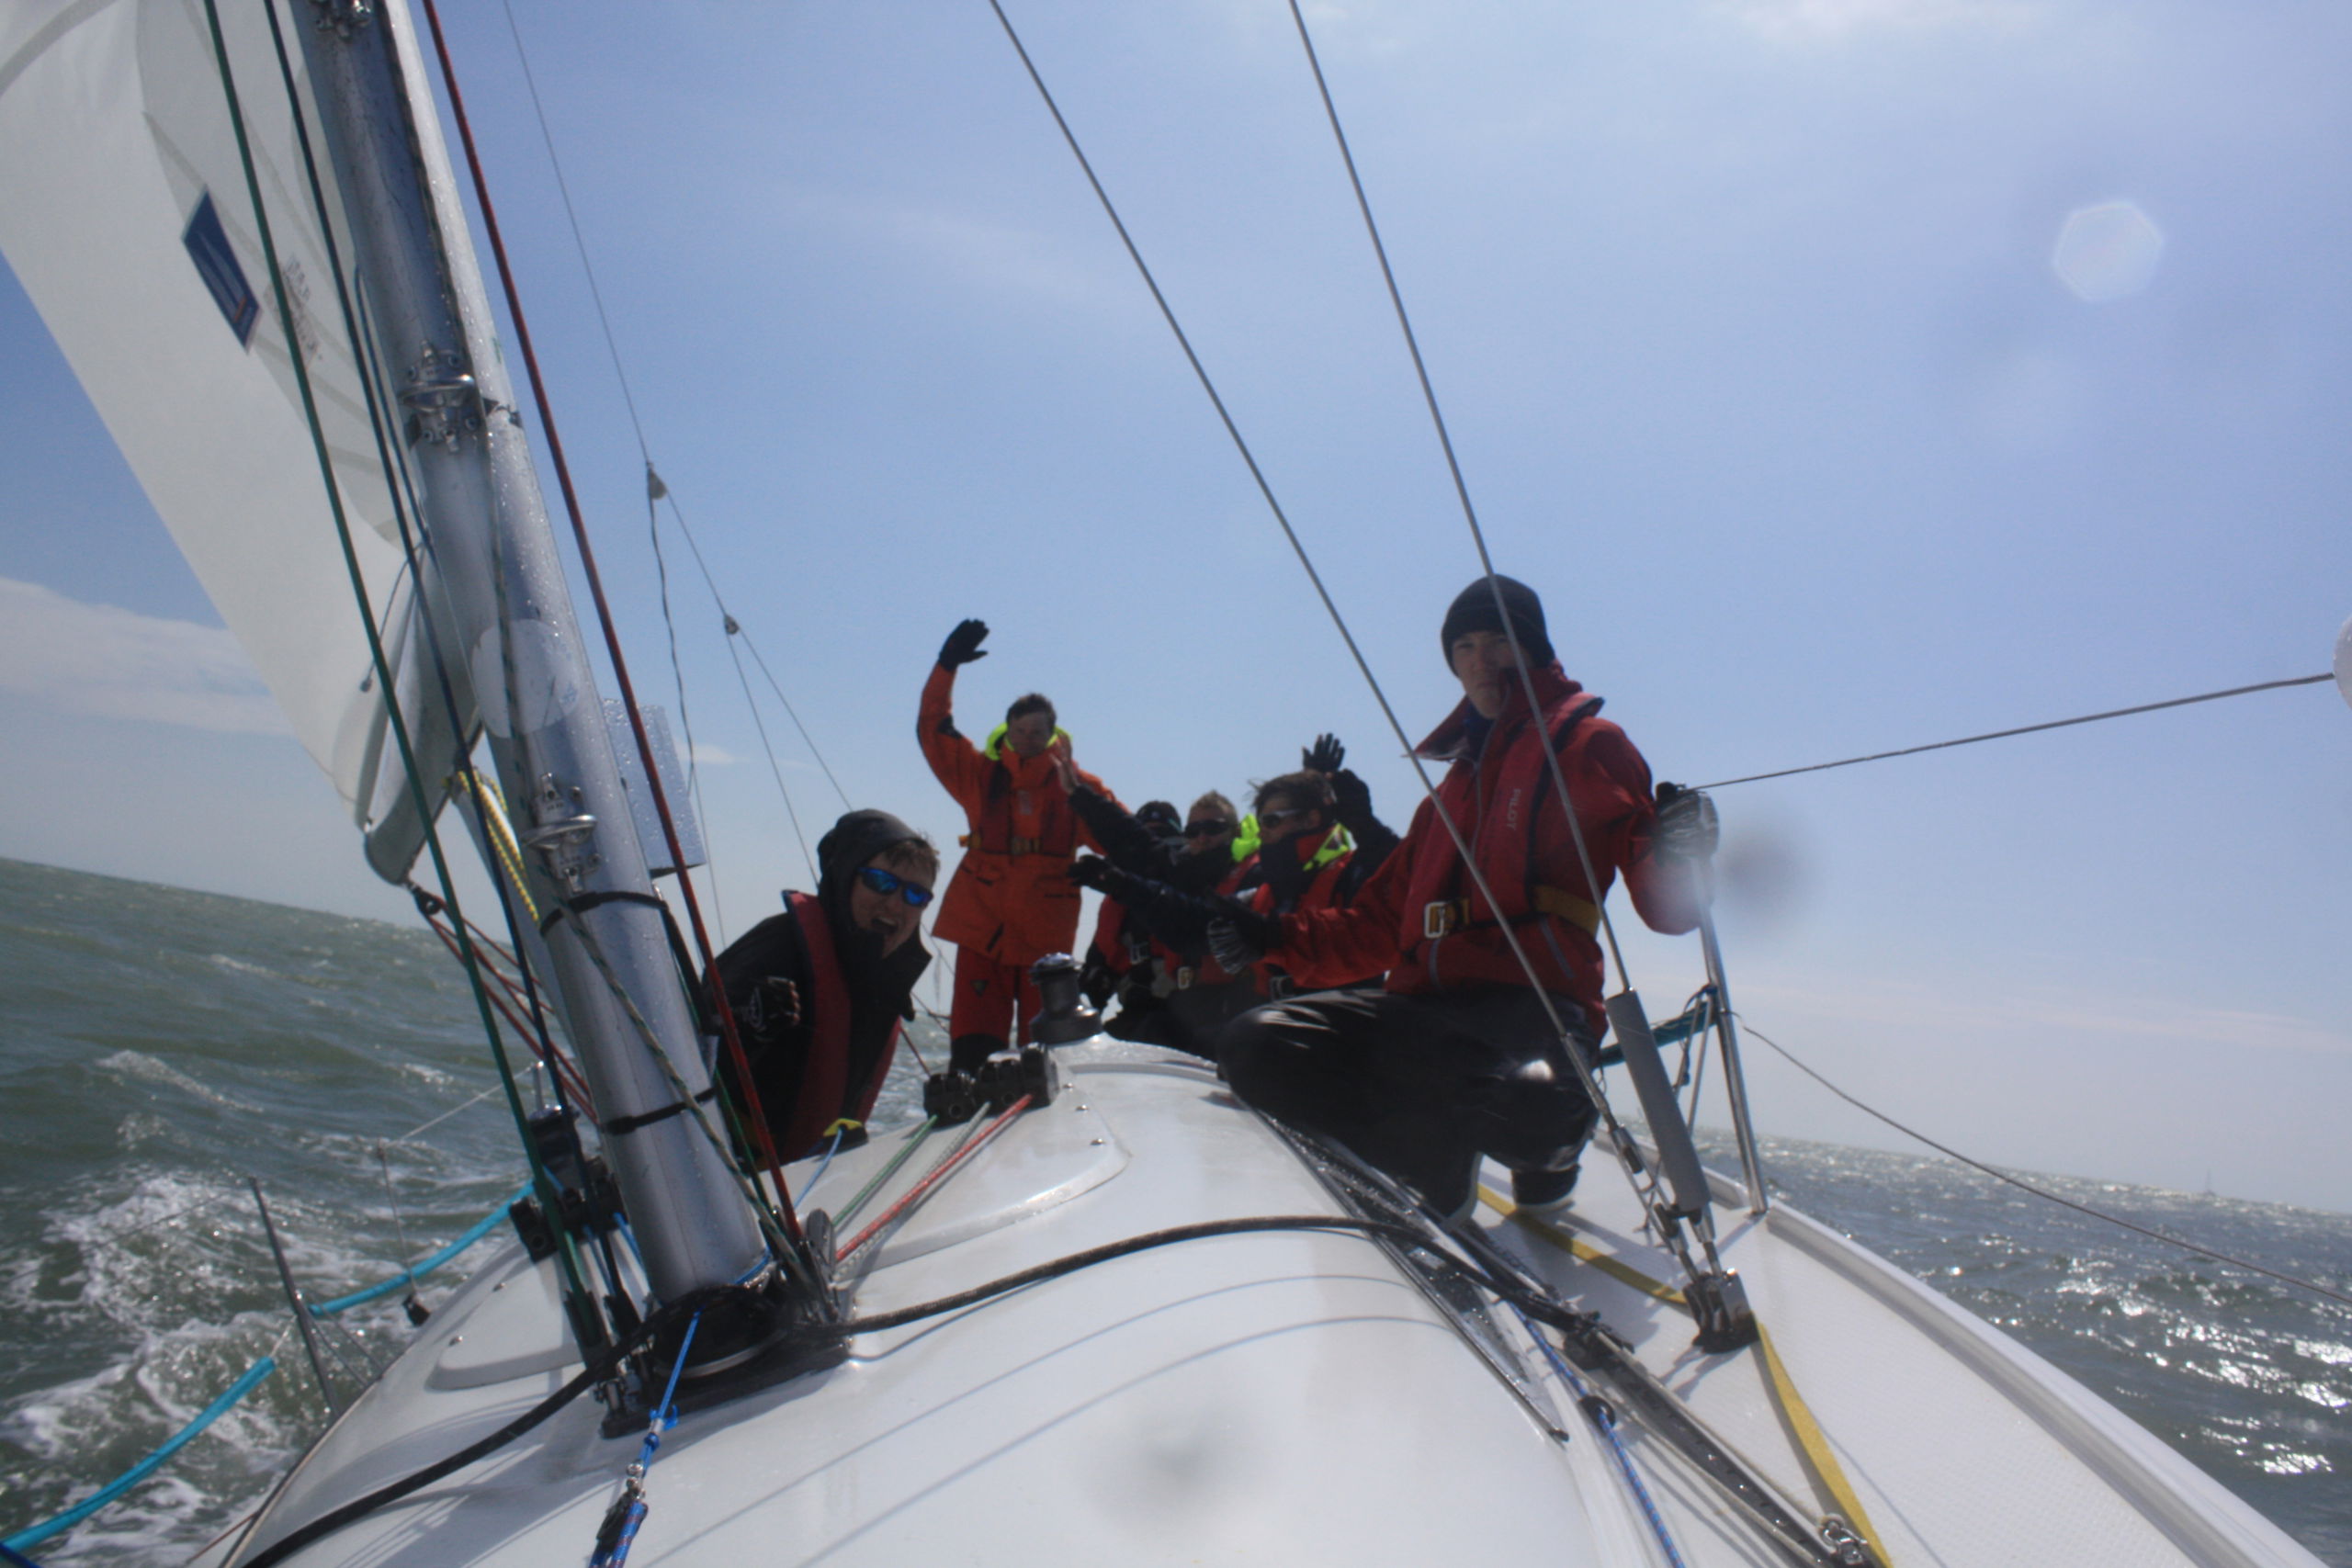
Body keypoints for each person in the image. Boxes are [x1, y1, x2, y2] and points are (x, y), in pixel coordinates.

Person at [1212, 575, 1707, 1220]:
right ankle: (1431, 1159)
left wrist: (1676, 849)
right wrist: (1271, 938)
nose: (1481, 660)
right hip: (1425, 1011)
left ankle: (1548, 1154)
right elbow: (1377, 923)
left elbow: (1665, 905)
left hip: (1536, 1007)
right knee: (1251, 1046)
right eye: (1465, 646)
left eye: (1499, 641)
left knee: (1536, 1113)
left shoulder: (1590, 745)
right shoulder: (1445, 796)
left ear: (1533, 651)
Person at [921, 618, 1116, 1072]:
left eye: (1037, 732)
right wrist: (947, 666)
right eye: (1021, 730)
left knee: (1044, 1056)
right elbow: (933, 729)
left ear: (1053, 736)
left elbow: (1123, 839)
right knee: (972, 1054)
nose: (1028, 739)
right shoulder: (979, 776)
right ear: (1006, 731)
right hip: (982, 931)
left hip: (1044, 944)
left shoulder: (1079, 788)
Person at [707, 810, 937, 1162]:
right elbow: (683, 1066)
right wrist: (747, 1027)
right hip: (733, 1170)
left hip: (814, 1176)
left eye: (916, 895)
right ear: (845, 878)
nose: (895, 903)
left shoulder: (882, 981)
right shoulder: (777, 947)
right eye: (881, 882)